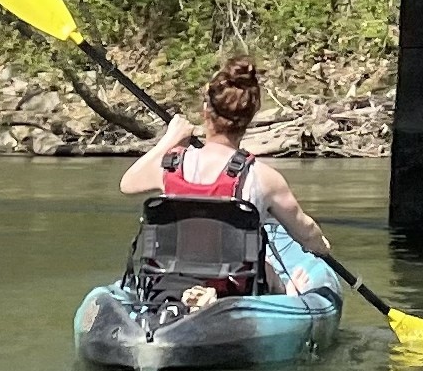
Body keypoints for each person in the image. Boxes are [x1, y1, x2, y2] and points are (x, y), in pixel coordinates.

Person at [118, 54, 334, 293]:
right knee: (267, 268)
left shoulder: (171, 164)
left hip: (170, 286)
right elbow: (305, 230)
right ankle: (288, 295)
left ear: (205, 112)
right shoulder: (264, 178)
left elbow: (127, 184)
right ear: (249, 118)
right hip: (231, 292)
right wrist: (321, 246)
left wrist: (169, 140)